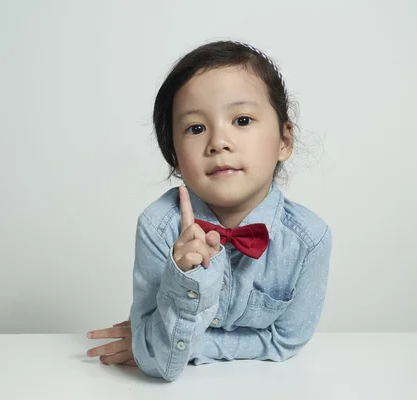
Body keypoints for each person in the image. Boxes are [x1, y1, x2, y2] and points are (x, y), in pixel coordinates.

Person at [86, 40, 332, 381]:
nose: (218, 141)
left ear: (284, 141)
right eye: (196, 128)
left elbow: (286, 342)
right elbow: (161, 365)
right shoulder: (158, 227)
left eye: (242, 120)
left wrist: (183, 344)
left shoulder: (309, 239)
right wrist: (183, 278)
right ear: (175, 156)